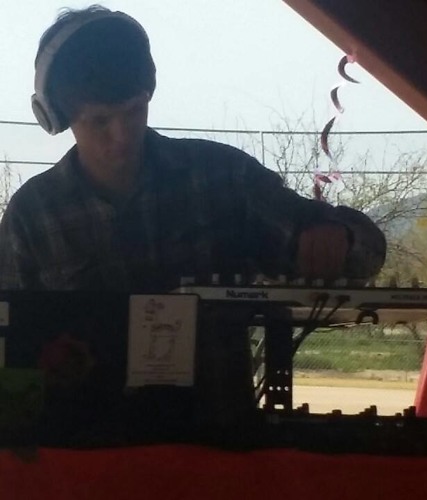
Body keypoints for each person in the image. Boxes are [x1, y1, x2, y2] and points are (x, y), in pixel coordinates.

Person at [0, 7, 385, 423]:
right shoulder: (31, 217)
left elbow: (367, 252)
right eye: (100, 121)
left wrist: (339, 238)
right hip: (83, 450)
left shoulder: (223, 178)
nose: (122, 136)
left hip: (219, 442)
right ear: (57, 117)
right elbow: (9, 352)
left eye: (134, 111)